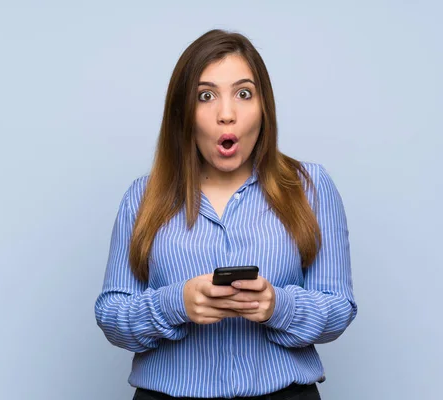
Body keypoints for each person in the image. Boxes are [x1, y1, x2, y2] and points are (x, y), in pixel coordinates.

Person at [94, 28, 358, 400]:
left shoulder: (310, 186)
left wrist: (276, 306)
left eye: (243, 93)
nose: (227, 115)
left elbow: (338, 307)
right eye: (206, 96)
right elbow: (112, 314)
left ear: (264, 106)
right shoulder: (142, 197)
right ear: (183, 112)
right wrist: (176, 304)